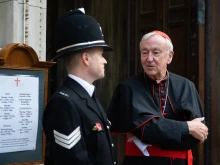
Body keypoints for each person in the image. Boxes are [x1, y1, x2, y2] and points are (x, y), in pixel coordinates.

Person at [107, 30, 208, 165]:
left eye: (156, 52)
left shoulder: (186, 86)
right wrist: (187, 128)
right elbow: (145, 129)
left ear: (169, 56)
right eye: (144, 52)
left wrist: (155, 131)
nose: (149, 58)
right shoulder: (129, 87)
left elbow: (198, 135)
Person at [43, 8, 117, 165]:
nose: (105, 61)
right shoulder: (64, 104)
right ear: (86, 58)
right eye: (101, 55)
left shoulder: (88, 98)